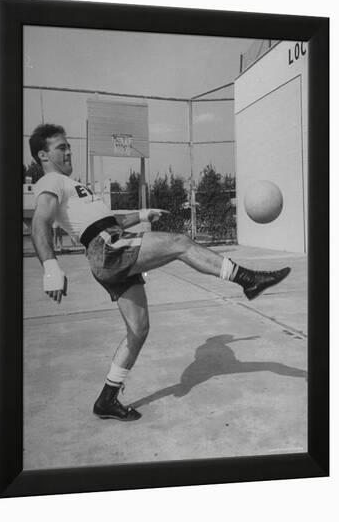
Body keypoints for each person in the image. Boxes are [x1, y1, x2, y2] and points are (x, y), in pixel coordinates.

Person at [29, 123, 291, 422]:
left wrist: (141, 215)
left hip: (109, 245)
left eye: (68, 146)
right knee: (180, 243)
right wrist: (50, 267)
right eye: (61, 147)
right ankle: (247, 280)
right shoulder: (50, 180)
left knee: (138, 330)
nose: (68, 151)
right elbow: (40, 222)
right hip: (108, 248)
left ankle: (107, 398)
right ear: (43, 155)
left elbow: (105, 219)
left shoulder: (70, 186)